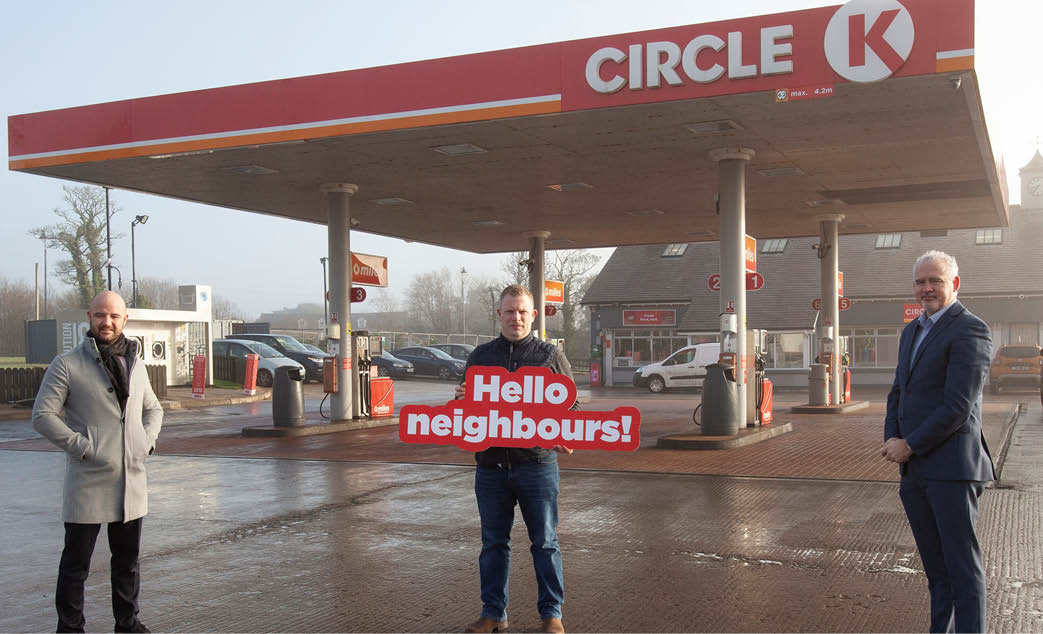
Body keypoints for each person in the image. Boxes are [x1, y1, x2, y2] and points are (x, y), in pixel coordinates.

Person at [33, 290, 164, 633]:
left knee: (127, 563)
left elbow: (153, 409)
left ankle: (127, 623)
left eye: (114, 316)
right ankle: (70, 627)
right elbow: (42, 416)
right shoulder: (67, 364)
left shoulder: (136, 364)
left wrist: (146, 442)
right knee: (76, 566)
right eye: (100, 315)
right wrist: (82, 447)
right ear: (89, 317)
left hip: (131, 481)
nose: (107, 322)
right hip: (88, 480)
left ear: (124, 320)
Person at [881, 251, 994, 633]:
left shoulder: (970, 330)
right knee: (937, 572)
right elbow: (899, 391)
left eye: (935, 281)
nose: (926, 288)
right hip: (915, 471)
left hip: (952, 470)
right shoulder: (912, 331)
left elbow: (958, 407)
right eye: (920, 282)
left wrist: (909, 444)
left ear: (954, 284)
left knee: (962, 570)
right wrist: (892, 438)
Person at [455, 284, 576, 634]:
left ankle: (552, 615)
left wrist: (566, 433)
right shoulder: (480, 356)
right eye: (509, 311)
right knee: (493, 544)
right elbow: (466, 407)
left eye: (522, 312)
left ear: (533, 315)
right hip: (490, 467)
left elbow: (572, 405)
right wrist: (461, 400)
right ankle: (493, 613)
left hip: (537, 466)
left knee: (546, 543)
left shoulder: (550, 356)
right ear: (499, 315)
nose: (516, 318)